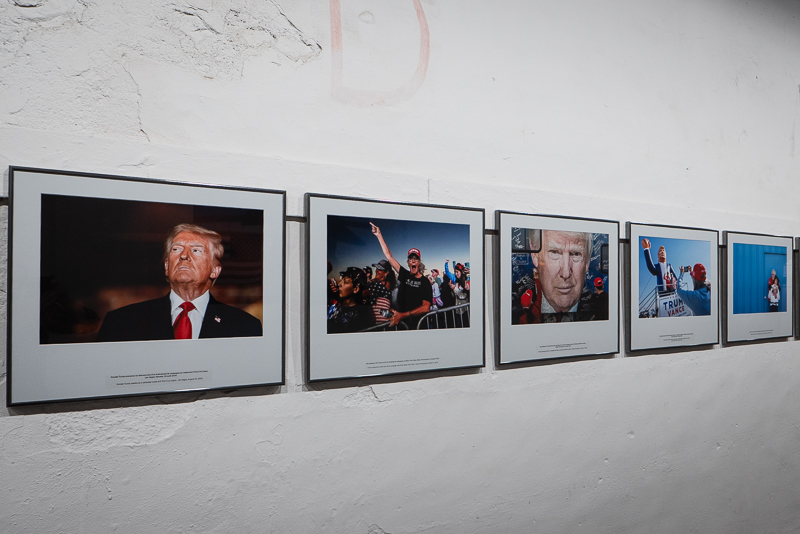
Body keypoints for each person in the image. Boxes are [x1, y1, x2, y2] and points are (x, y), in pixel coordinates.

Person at [96, 223, 262, 342]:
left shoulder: (245, 326)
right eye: (176, 249)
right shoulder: (121, 322)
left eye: (196, 250)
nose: (184, 255)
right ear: (167, 267)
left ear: (214, 270)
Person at [519, 230, 594, 323]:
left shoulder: (600, 308)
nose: (566, 274)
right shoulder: (511, 307)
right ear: (535, 254)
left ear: (587, 260)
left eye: (576, 254)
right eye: (554, 252)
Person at [370, 222, 432, 330]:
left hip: (419, 325)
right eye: (411, 259)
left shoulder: (425, 281)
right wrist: (379, 235)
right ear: (408, 262)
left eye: (416, 259)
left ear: (419, 262)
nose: (413, 261)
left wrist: (402, 315)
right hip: (403, 325)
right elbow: (389, 257)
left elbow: (426, 307)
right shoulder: (404, 275)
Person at [327, 267, 375, 333]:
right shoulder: (337, 302)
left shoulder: (358, 316)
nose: (339, 284)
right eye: (341, 280)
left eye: (345, 282)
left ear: (355, 289)